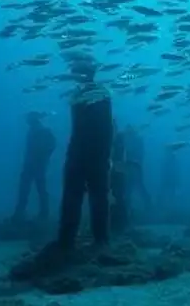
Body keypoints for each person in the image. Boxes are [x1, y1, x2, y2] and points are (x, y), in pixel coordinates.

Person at [46, 54, 114, 254]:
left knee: (87, 198)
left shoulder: (98, 94)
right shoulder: (81, 93)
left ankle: (89, 241)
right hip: (83, 154)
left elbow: (105, 128)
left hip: (88, 155)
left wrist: (103, 156)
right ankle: (78, 241)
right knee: (87, 198)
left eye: (75, 72)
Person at [12, 112, 56, 223]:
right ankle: (24, 213)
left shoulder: (41, 131)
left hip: (35, 165)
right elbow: (51, 146)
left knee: (31, 189)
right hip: (34, 164)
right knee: (33, 189)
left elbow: (51, 146)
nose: (27, 120)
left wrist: (43, 158)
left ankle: (32, 213)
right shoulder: (37, 130)